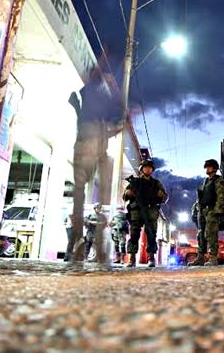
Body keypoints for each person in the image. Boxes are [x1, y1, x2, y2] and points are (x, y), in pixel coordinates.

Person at [67, 64, 123, 263]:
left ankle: (98, 248)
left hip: (98, 150)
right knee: (80, 196)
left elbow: (111, 126)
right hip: (85, 149)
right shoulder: (88, 95)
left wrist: (118, 127)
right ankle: (77, 244)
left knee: (100, 192)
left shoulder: (99, 112)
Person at [123, 159, 168, 267]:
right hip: (137, 211)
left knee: (151, 234)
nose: (147, 169)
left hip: (150, 211)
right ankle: (132, 258)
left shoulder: (156, 183)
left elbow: (165, 198)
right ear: (142, 169)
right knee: (134, 235)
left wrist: (162, 195)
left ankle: (151, 258)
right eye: (145, 167)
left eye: (149, 168)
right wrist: (128, 193)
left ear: (152, 170)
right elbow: (125, 196)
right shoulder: (135, 182)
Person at [189, 159, 224, 267]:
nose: (207, 168)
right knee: (200, 235)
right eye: (206, 167)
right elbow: (200, 198)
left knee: (210, 234)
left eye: (209, 167)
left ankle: (213, 258)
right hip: (203, 211)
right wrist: (195, 209)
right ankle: (200, 257)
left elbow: (221, 196)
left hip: (211, 211)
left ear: (214, 168)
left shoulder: (218, 180)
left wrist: (217, 210)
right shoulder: (205, 181)